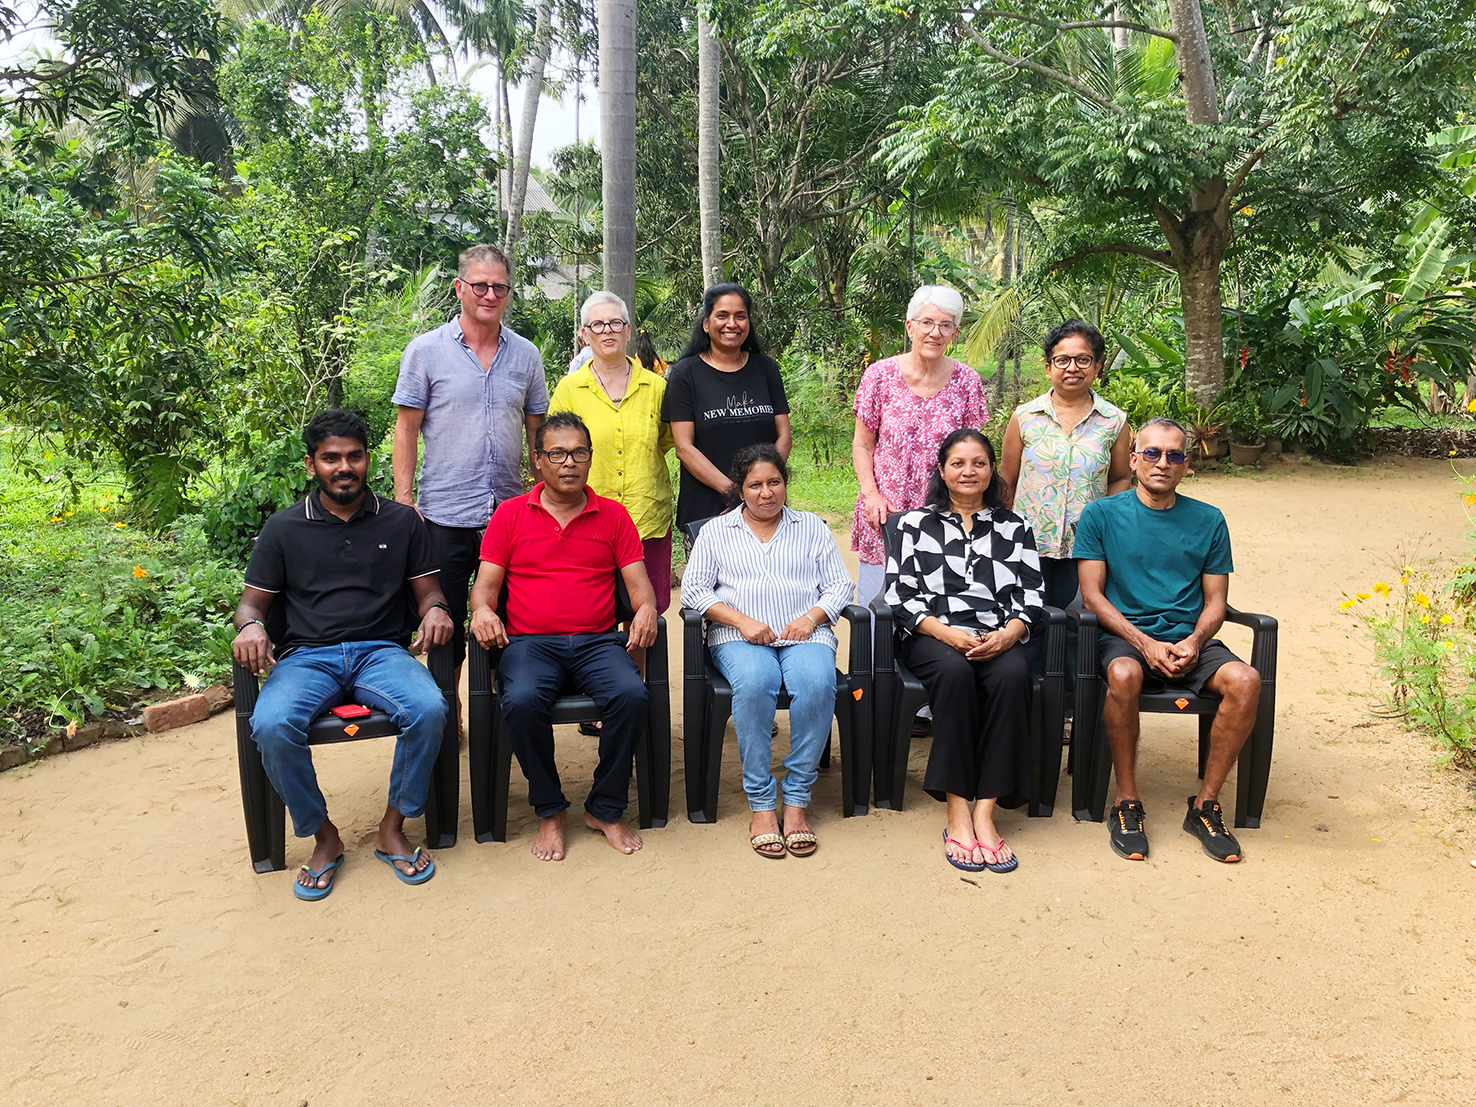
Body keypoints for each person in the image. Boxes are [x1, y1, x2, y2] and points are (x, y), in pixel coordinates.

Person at [233, 409, 454, 901]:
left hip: (382, 652)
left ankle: (392, 827)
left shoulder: (400, 521)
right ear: (311, 465)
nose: (344, 466)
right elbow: (252, 603)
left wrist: (436, 610)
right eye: (331, 458)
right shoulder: (284, 528)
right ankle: (323, 836)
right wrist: (250, 624)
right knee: (270, 724)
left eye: (354, 456)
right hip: (307, 657)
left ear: (367, 460)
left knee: (429, 708)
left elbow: (428, 593)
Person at [468, 411, 659, 862]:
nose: (569, 463)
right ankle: (550, 810)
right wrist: (480, 611)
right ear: (537, 461)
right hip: (531, 645)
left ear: (590, 459)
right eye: (557, 453)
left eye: (579, 453)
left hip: (597, 642)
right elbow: (486, 587)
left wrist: (647, 607)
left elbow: (639, 587)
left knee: (632, 695)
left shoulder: (613, 515)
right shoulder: (511, 515)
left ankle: (604, 807)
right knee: (522, 701)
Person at [1074, 417, 1262, 865]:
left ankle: (1205, 805)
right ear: (1134, 459)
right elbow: (1092, 595)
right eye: (1153, 453)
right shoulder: (1100, 514)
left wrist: (1195, 641)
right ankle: (1126, 802)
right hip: (1125, 635)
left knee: (1246, 680)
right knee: (1122, 673)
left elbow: (1216, 603)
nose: (1163, 462)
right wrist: (1144, 643)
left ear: (1186, 465)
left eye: (1175, 455)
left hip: (1188, 640)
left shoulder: (1209, 519)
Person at [392, 243, 549, 722]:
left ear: (508, 293)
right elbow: (406, 428)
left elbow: (538, 432)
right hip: (443, 513)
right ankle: (447, 707)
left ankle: (506, 710)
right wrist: (404, 500)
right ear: (460, 288)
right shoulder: (425, 351)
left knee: (512, 616)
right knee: (442, 618)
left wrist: (544, 498)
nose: (489, 294)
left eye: (499, 287)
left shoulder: (526, 355)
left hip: (510, 515)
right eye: (479, 285)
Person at [680, 445, 854, 859]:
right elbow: (694, 590)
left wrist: (811, 618)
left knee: (816, 682)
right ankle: (761, 803)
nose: (765, 492)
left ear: (785, 484)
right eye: (754, 484)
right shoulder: (717, 532)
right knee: (756, 683)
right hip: (738, 636)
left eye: (774, 482)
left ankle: (795, 801)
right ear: (739, 489)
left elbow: (839, 585)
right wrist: (742, 620)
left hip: (803, 633)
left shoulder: (810, 526)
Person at [883, 429, 1044, 875]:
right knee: (953, 675)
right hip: (933, 636)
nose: (968, 471)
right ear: (941, 470)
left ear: (992, 470)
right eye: (958, 463)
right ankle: (957, 809)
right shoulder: (914, 524)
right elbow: (900, 595)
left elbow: (1032, 595)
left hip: (997, 634)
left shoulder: (1015, 527)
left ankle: (986, 812)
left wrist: (1010, 633)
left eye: (978, 463)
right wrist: (948, 634)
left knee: (1012, 678)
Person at [999, 318, 1131, 715]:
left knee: (1078, 627)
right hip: (1028, 543)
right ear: (1048, 366)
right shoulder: (1025, 417)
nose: (1072, 368)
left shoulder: (1114, 421)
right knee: (1028, 622)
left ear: (1098, 365)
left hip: (1086, 546)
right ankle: (1031, 704)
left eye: (1083, 359)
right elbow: (1007, 481)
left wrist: (1102, 523)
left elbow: (1121, 476)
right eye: (1062, 360)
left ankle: (1072, 711)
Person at [852, 285, 987, 611]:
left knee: (938, 611)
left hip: (945, 514)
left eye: (945, 325)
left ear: (954, 332)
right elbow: (862, 444)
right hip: (886, 513)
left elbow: (972, 454)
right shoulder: (879, 376)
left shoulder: (967, 381)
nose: (935, 333)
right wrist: (872, 496)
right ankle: (872, 663)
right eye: (926, 323)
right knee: (877, 613)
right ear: (910, 326)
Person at [548, 291, 676, 615]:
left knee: (646, 616)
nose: (607, 331)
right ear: (584, 334)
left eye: (615, 323)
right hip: (587, 522)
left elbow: (665, 441)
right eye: (598, 324)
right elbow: (555, 452)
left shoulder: (657, 388)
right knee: (591, 614)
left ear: (628, 330)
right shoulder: (569, 389)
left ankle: (640, 670)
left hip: (648, 520)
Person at [661, 283, 792, 529]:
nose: (731, 324)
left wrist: (759, 488)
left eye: (740, 316)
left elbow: (784, 435)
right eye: (722, 315)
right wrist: (737, 493)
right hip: (707, 510)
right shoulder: (685, 374)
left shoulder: (766, 368)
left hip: (765, 506)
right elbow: (684, 447)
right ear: (706, 323)